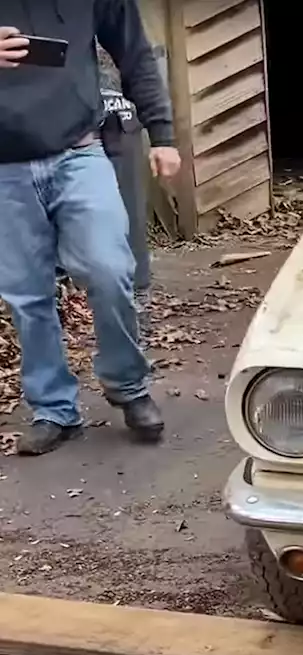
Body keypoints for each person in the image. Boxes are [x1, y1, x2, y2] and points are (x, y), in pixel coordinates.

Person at [0, 0, 182, 456]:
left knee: (110, 267)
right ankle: (54, 410)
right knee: (27, 295)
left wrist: (162, 135)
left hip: (79, 153)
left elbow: (134, 52)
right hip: (4, 168)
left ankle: (128, 384)